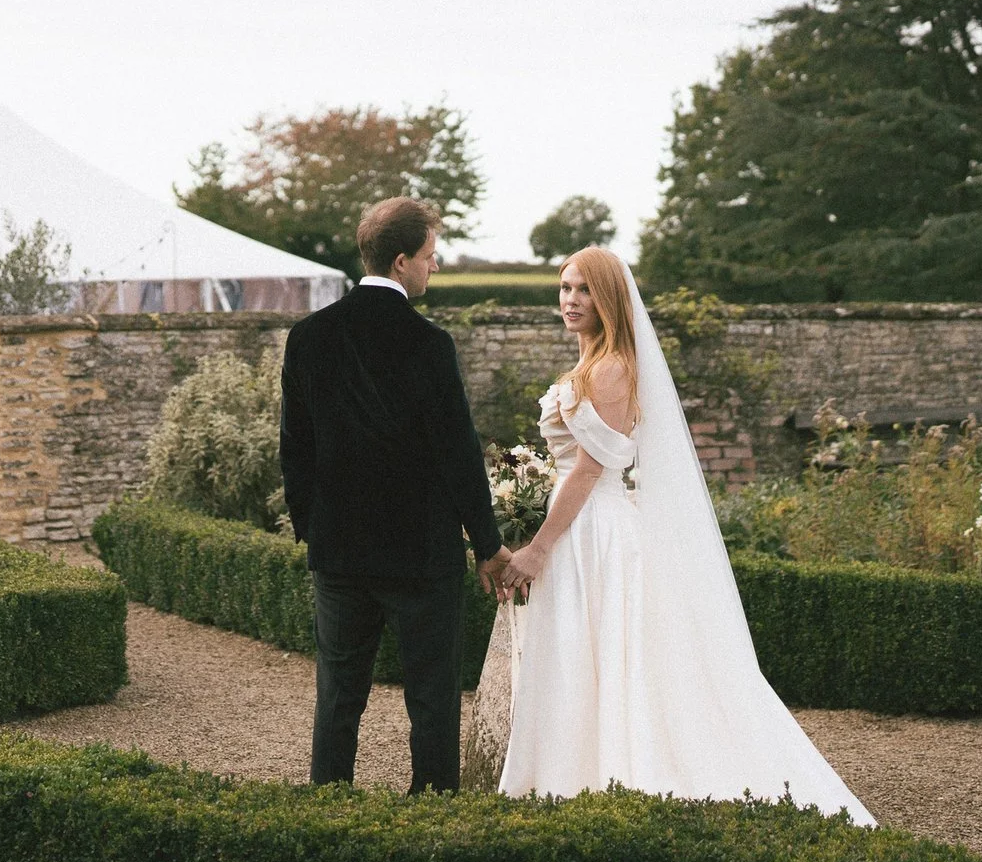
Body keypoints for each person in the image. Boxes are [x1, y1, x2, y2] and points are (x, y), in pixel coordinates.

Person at [490, 246, 872, 820]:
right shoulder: (591, 364)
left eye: (584, 290)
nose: (571, 300)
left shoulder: (613, 366)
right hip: (579, 521)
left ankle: (599, 775)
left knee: (600, 648)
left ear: (609, 298)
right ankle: (568, 773)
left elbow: (594, 468)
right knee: (573, 650)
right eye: (565, 288)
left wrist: (539, 546)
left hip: (595, 528)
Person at [279, 196, 510, 793]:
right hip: (420, 553)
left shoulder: (308, 337)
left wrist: (314, 528)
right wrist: (489, 545)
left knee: (338, 692)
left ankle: (327, 804)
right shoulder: (428, 344)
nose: (435, 267)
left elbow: (294, 447)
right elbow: (459, 453)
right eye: (431, 256)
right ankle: (432, 814)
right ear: (403, 260)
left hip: (340, 551)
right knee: (432, 696)